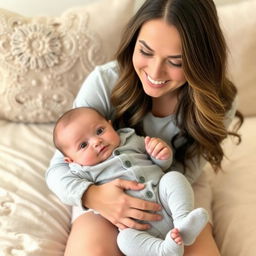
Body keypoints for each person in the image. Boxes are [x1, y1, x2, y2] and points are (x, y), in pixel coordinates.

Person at [46, 0, 243, 255]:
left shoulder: (219, 102)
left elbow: (188, 171)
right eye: (146, 52)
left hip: (174, 190)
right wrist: (94, 197)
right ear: (133, 42)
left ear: (200, 61)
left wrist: (155, 192)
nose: (155, 71)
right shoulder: (107, 81)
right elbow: (58, 168)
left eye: (176, 61)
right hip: (102, 186)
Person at [53, 106, 209, 255]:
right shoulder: (82, 172)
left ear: (110, 125)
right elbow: (64, 184)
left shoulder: (130, 139)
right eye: (83, 145)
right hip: (136, 225)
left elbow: (160, 164)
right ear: (70, 160)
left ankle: (183, 222)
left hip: (163, 198)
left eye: (100, 131)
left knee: (174, 178)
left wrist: (161, 154)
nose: (96, 141)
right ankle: (163, 250)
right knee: (124, 240)